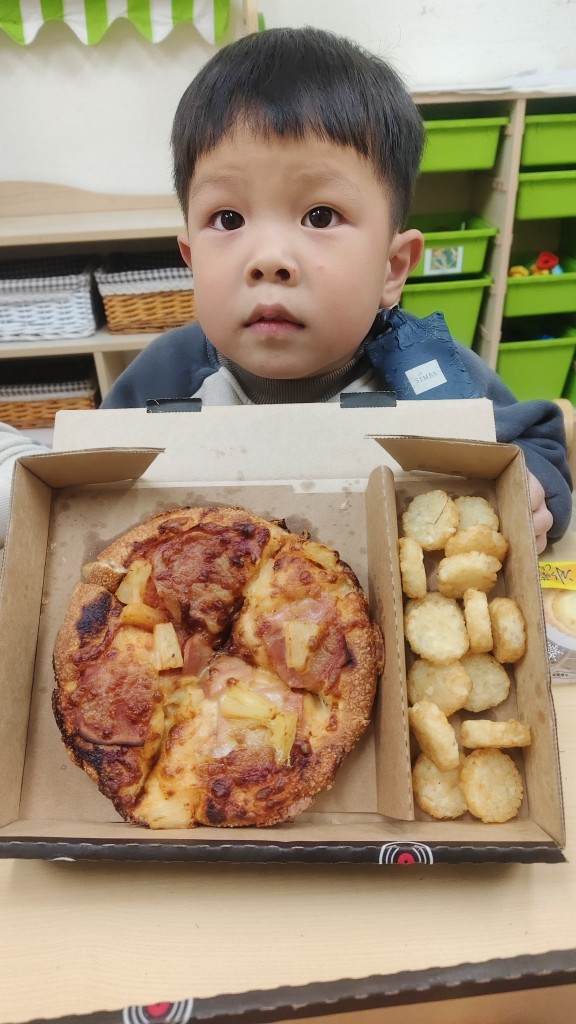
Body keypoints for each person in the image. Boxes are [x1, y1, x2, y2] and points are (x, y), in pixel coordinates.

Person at [0, 27, 571, 553]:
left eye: (320, 216)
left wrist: (531, 492)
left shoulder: (433, 374)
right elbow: (90, 479)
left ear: (392, 268)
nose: (268, 259)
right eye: (228, 219)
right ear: (191, 260)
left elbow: (538, 445)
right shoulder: (166, 375)